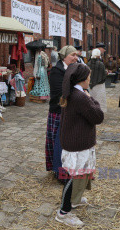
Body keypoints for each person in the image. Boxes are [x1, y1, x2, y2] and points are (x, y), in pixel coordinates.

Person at [55, 63, 104, 228]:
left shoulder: (73, 93)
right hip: (76, 144)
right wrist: (92, 99)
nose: (90, 79)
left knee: (81, 173)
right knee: (72, 177)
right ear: (82, 79)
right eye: (89, 76)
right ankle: (63, 212)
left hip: (76, 141)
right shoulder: (80, 97)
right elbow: (98, 116)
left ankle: (74, 201)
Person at [45, 45, 78, 179]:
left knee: (67, 142)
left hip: (70, 110)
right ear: (64, 56)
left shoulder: (73, 68)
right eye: (72, 55)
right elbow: (60, 93)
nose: (75, 58)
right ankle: (59, 170)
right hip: (59, 110)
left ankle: (67, 169)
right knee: (58, 141)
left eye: (76, 55)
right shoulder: (57, 71)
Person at [87, 49, 107, 113]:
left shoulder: (88, 63)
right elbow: (104, 75)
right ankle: (99, 114)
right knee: (99, 101)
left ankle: (91, 113)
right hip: (99, 85)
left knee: (91, 100)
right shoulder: (101, 64)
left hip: (90, 84)